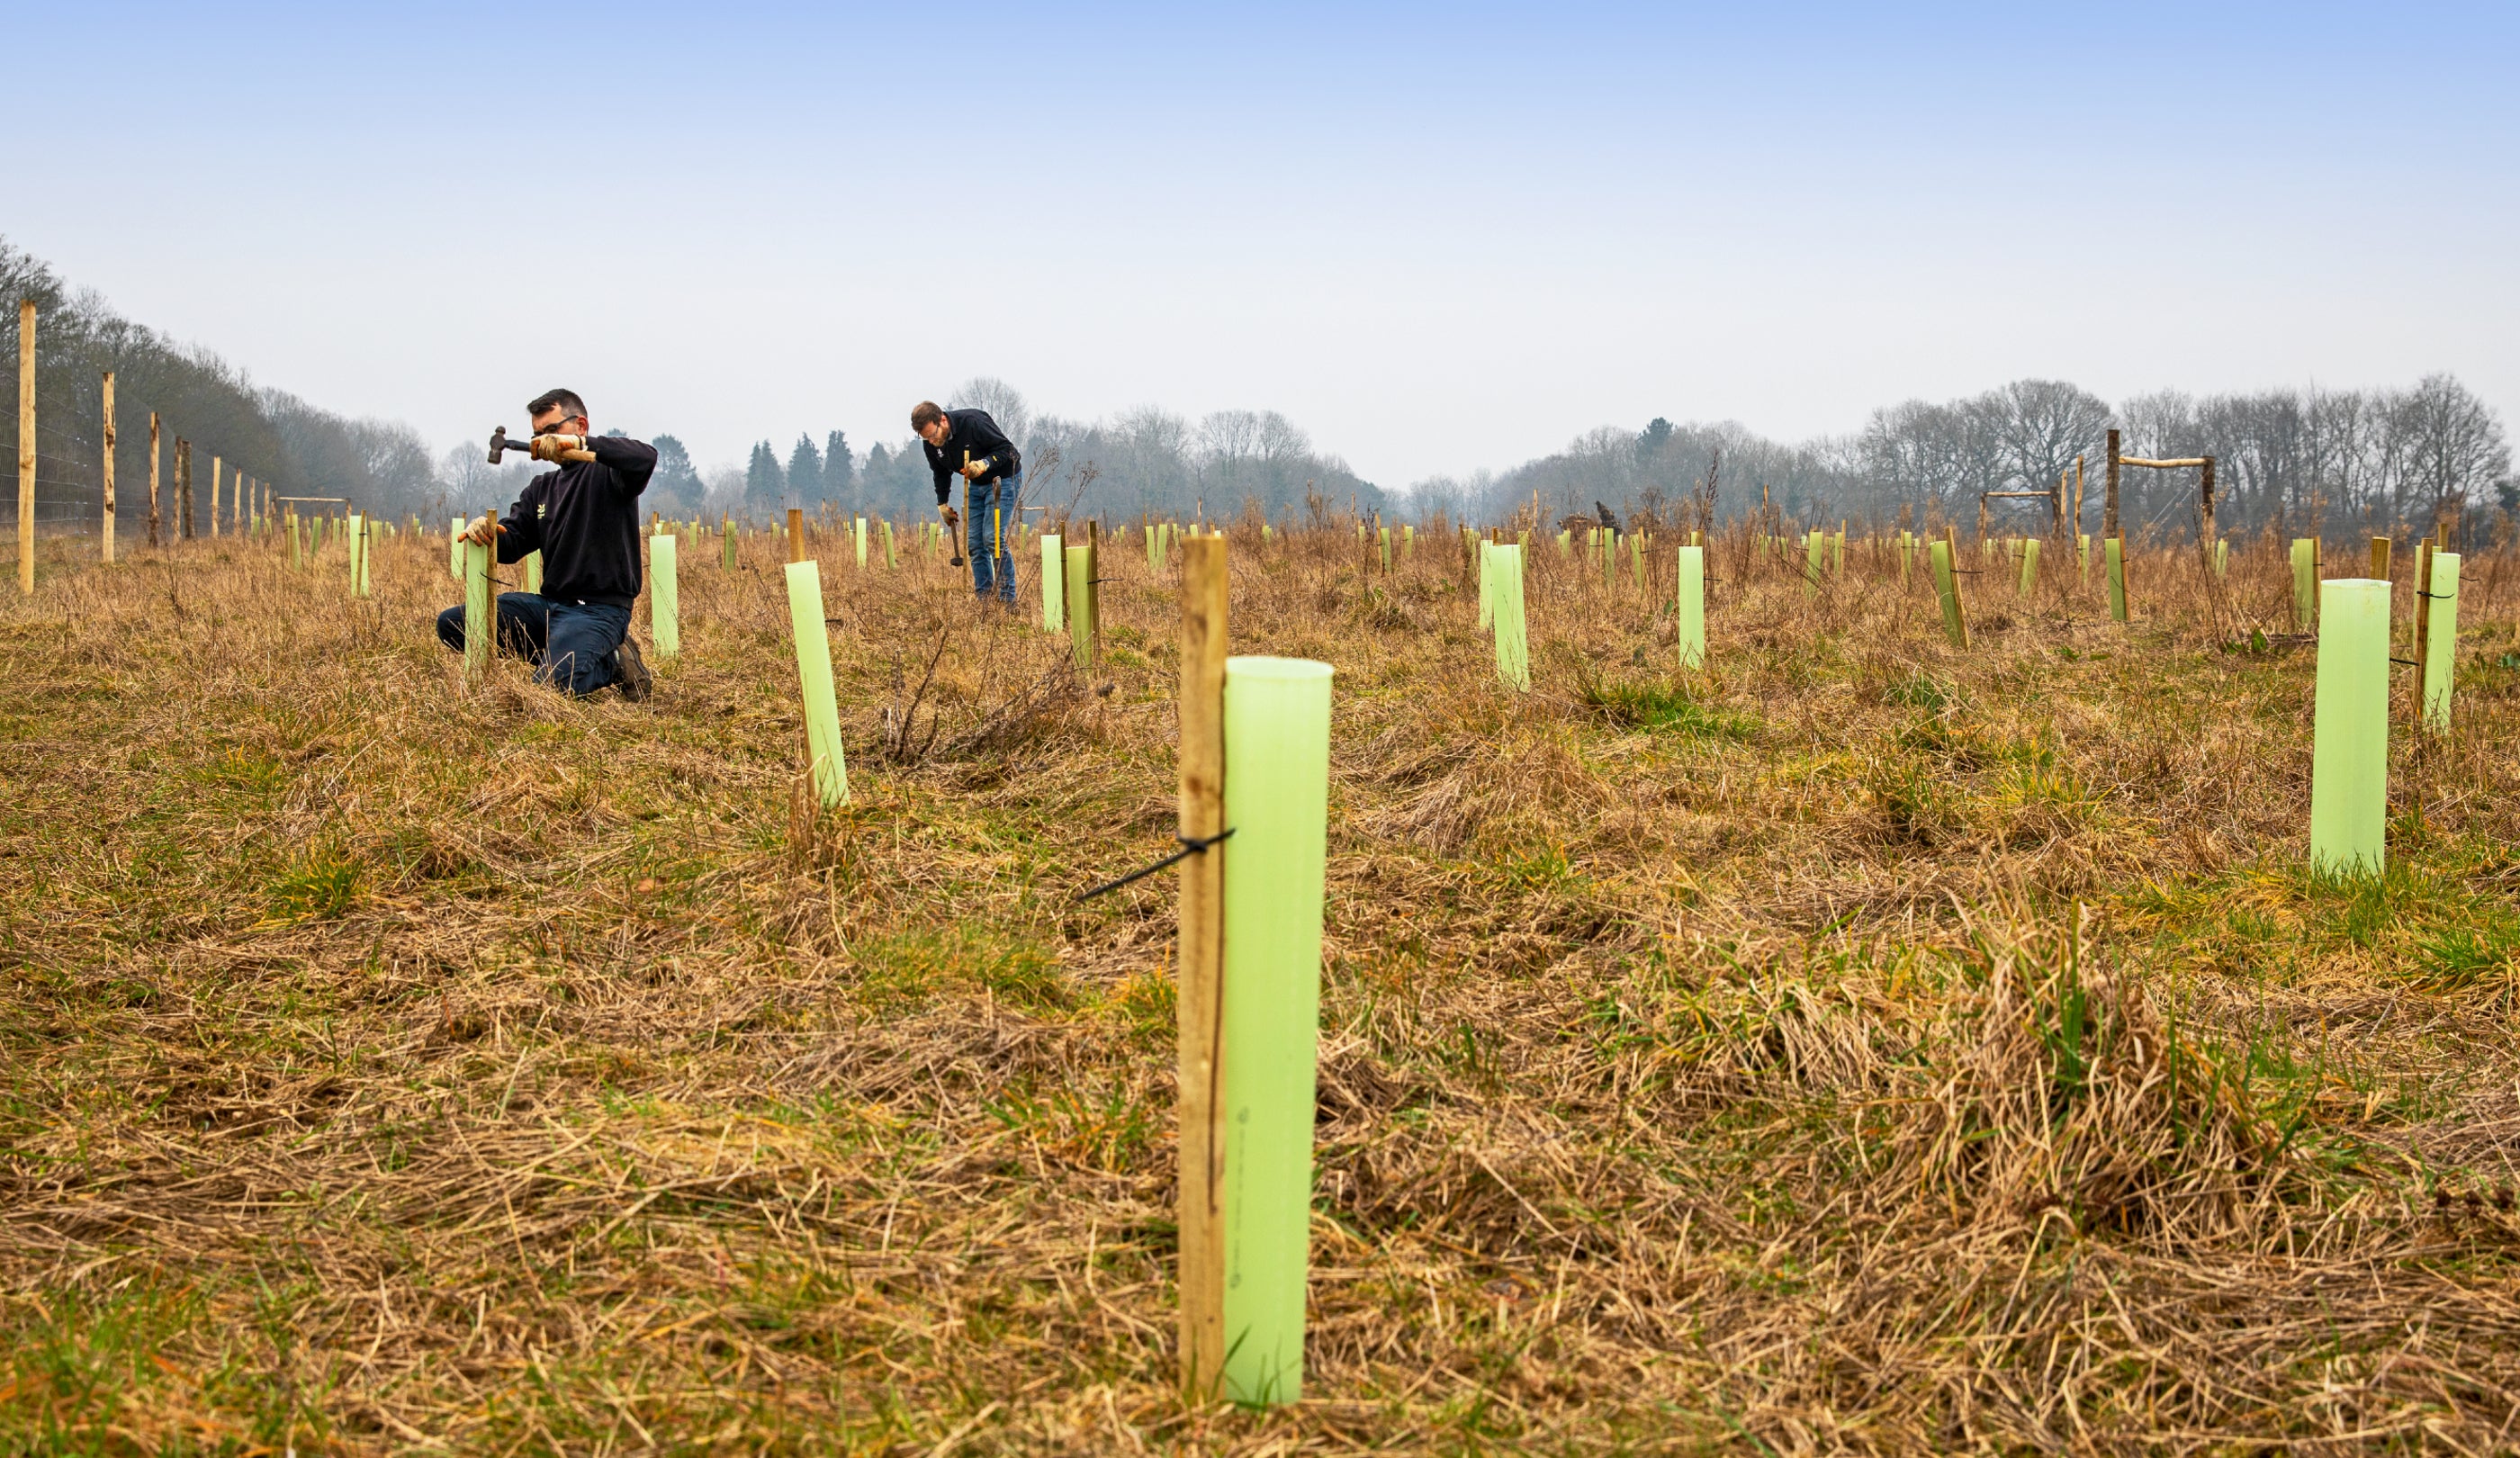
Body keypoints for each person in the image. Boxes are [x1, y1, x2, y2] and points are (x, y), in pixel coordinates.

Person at [436, 389, 658, 700]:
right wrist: (487, 534)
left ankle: (614, 662)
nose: (543, 441)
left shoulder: (612, 475)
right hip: (551, 607)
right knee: (454, 624)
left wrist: (582, 447)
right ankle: (566, 653)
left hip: (600, 611)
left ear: (581, 425)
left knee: (551, 689)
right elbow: (512, 544)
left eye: (552, 430)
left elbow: (646, 457)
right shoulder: (541, 489)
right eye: (537, 434)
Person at [913, 400, 1022, 606]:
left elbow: (1010, 452)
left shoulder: (973, 422)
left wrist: (985, 463)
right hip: (976, 486)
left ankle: (1008, 600)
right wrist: (942, 504)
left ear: (942, 420)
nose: (930, 441)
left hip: (1003, 480)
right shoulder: (931, 445)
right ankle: (985, 600)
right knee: (974, 543)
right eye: (925, 438)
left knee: (992, 537)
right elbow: (940, 472)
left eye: (932, 435)